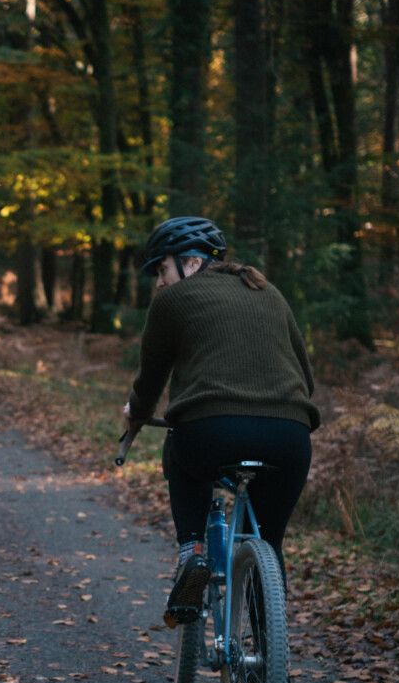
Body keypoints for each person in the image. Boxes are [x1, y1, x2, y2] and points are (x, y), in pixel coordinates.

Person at [122, 216, 319, 627]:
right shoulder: (270, 293)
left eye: (162, 269)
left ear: (191, 263)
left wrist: (136, 415)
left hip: (209, 434)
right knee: (270, 541)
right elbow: (306, 376)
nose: (159, 282)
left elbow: (151, 381)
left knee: (180, 452)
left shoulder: (172, 301)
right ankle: (270, 657)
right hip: (290, 437)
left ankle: (192, 554)